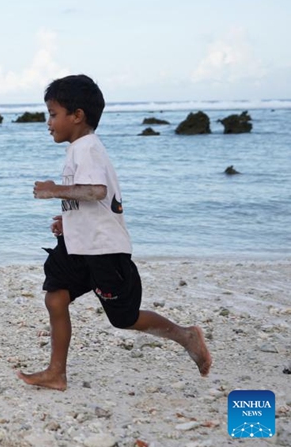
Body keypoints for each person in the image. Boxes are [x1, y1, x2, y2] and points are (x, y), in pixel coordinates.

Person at [17, 74, 212, 391]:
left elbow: (95, 190)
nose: (48, 122)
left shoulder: (88, 149)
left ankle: (185, 335)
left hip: (104, 250)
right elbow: (91, 201)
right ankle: (57, 373)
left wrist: (55, 190)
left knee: (123, 317)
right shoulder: (78, 149)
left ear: (77, 115)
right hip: (79, 246)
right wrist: (68, 221)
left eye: (53, 114)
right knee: (55, 298)